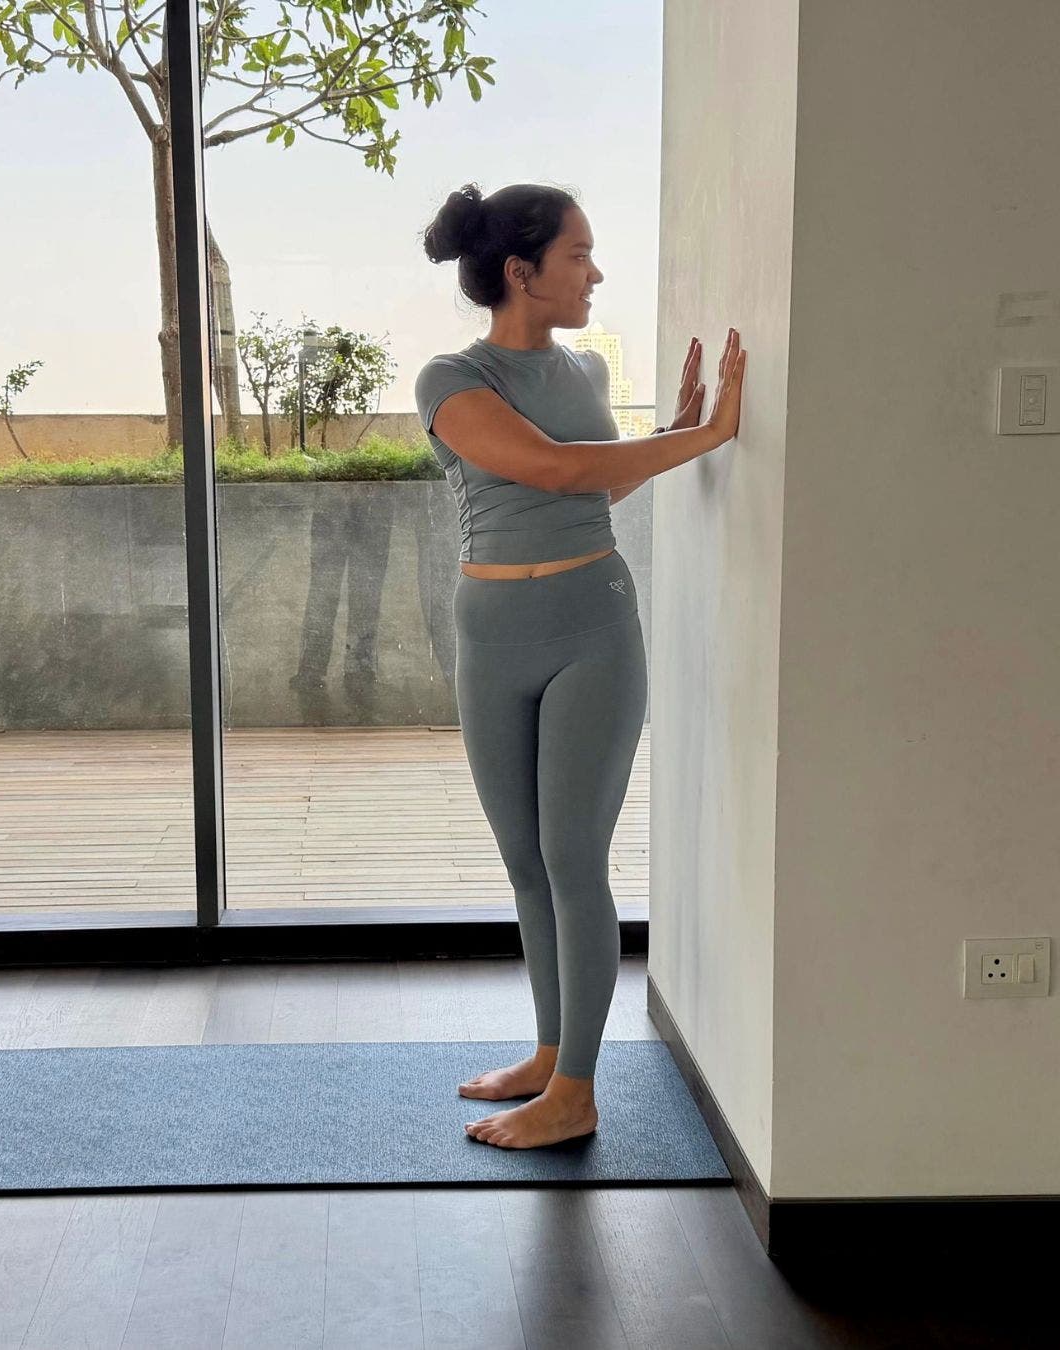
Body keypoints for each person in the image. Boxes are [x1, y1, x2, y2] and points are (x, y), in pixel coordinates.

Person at [415, 182, 744, 1150]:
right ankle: (550, 1054)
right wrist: (697, 435)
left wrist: (670, 435)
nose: (595, 273)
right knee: (524, 862)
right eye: (578, 254)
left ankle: (576, 1092)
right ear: (522, 272)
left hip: (590, 625)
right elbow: (553, 469)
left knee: (572, 859)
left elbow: (595, 486)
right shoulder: (452, 378)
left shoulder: (586, 371)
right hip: (491, 634)